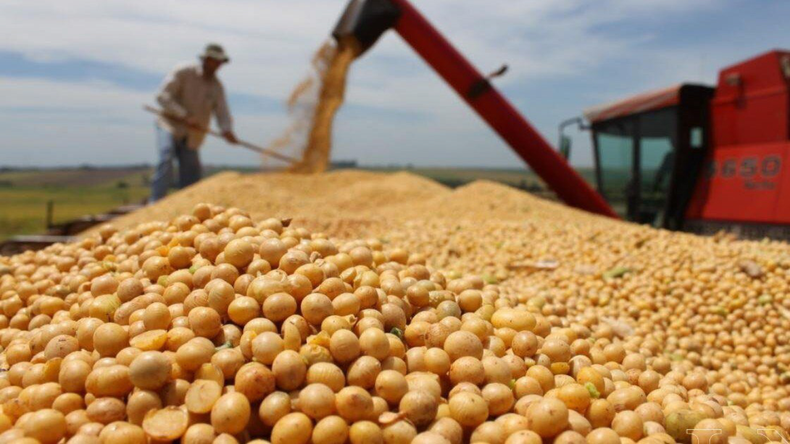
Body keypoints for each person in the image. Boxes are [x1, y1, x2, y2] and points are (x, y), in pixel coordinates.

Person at [149, 43, 239, 202]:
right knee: (166, 156)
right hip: (169, 124)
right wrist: (184, 115)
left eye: (220, 62)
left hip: (193, 133)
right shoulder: (184, 72)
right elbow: (162, 97)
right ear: (206, 59)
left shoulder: (217, 87)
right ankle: (155, 202)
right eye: (214, 61)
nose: (217, 65)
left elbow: (222, 112)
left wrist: (227, 130)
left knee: (191, 171)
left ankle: (187, 206)